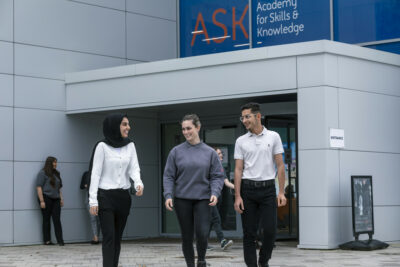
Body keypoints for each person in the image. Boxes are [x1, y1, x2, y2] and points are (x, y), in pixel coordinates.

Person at [163, 114, 224, 267]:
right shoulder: (176, 152)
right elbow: (169, 176)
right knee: (187, 236)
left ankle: (201, 260)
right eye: (183, 129)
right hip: (182, 199)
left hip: (203, 199)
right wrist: (168, 195)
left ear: (198, 127)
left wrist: (215, 193)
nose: (186, 132)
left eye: (189, 128)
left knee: (202, 233)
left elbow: (217, 176)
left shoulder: (210, 153)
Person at [233, 103, 286, 267]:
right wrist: (237, 196)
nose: (244, 120)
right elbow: (238, 169)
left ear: (258, 116)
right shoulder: (241, 141)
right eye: (242, 117)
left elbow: (280, 166)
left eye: (247, 116)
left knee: (270, 231)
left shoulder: (273, 136)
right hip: (247, 190)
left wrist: (281, 192)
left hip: (268, 189)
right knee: (249, 233)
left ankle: (263, 261)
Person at [89, 113, 144, 267]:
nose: (128, 127)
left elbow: (134, 168)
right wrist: (92, 200)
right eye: (124, 124)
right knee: (109, 237)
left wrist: (138, 183)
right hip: (105, 196)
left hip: (123, 197)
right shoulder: (102, 146)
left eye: (128, 124)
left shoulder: (130, 145)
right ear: (115, 126)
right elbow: (95, 173)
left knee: (117, 238)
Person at [208, 147, 234, 250]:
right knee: (216, 219)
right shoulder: (208, 167)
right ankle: (222, 241)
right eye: (218, 154)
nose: (221, 156)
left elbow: (226, 182)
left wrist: (238, 187)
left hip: (218, 198)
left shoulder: (221, 168)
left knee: (211, 221)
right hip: (210, 198)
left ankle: (203, 244)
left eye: (221, 154)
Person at [36, 156, 64, 246]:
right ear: (49, 163)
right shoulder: (42, 173)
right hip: (46, 198)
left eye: (56, 162)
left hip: (56, 199)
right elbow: (39, 187)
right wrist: (42, 201)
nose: (56, 164)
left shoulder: (56, 173)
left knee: (57, 220)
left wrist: (61, 198)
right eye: (54, 162)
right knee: (46, 219)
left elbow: (58, 188)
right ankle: (47, 240)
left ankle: (60, 241)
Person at [80, 170, 100, 244]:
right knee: (93, 218)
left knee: (99, 220)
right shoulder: (86, 174)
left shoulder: (100, 173)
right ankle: (95, 237)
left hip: (100, 198)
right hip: (89, 198)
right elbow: (81, 186)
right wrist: (88, 186)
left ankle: (96, 237)